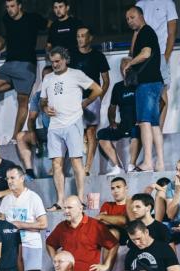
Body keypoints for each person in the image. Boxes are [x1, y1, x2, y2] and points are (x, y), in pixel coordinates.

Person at [41, 46, 102, 205]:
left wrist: (86, 102)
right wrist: (45, 108)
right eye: (52, 62)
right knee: (56, 163)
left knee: (76, 161)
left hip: (73, 122)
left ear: (65, 60)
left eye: (57, 61)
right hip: (54, 126)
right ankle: (60, 201)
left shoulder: (76, 74)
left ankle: (80, 199)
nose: (54, 64)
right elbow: (42, 101)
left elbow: (97, 89)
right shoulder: (47, 78)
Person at [0, 0, 46, 142]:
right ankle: (16, 84)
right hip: (9, 64)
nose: (9, 9)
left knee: (22, 101)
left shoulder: (33, 18)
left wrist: (50, 45)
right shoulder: (6, 18)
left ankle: (15, 136)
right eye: (7, 7)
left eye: (12, 6)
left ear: (20, 6)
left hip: (26, 64)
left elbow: (52, 25)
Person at [125, 5, 165, 172]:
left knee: (145, 122)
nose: (129, 21)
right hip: (154, 82)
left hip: (147, 83)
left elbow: (146, 53)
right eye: (127, 19)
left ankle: (148, 161)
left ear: (141, 16)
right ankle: (160, 162)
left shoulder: (146, 31)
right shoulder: (142, 33)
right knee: (154, 123)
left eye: (132, 17)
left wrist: (130, 63)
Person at [70, 26, 110, 176]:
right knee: (75, 132)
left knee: (91, 131)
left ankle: (87, 167)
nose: (80, 39)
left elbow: (106, 81)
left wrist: (98, 98)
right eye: (78, 36)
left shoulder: (98, 56)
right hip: (75, 99)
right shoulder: (71, 55)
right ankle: (78, 166)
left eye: (83, 36)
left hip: (92, 98)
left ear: (90, 38)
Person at [99, 58, 140, 175]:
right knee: (102, 134)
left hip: (138, 125)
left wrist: (142, 121)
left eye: (127, 64)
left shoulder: (139, 84)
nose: (125, 67)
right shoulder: (118, 87)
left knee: (135, 131)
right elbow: (112, 107)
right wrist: (112, 121)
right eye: (123, 65)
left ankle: (132, 165)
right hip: (123, 125)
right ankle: (118, 166)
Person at [17, 65, 53, 179]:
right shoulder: (38, 96)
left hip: (60, 131)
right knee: (20, 136)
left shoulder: (61, 94)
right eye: (44, 77)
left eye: (49, 76)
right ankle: (29, 172)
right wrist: (32, 133)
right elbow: (31, 119)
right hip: (45, 132)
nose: (46, 80)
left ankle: (56, 169)